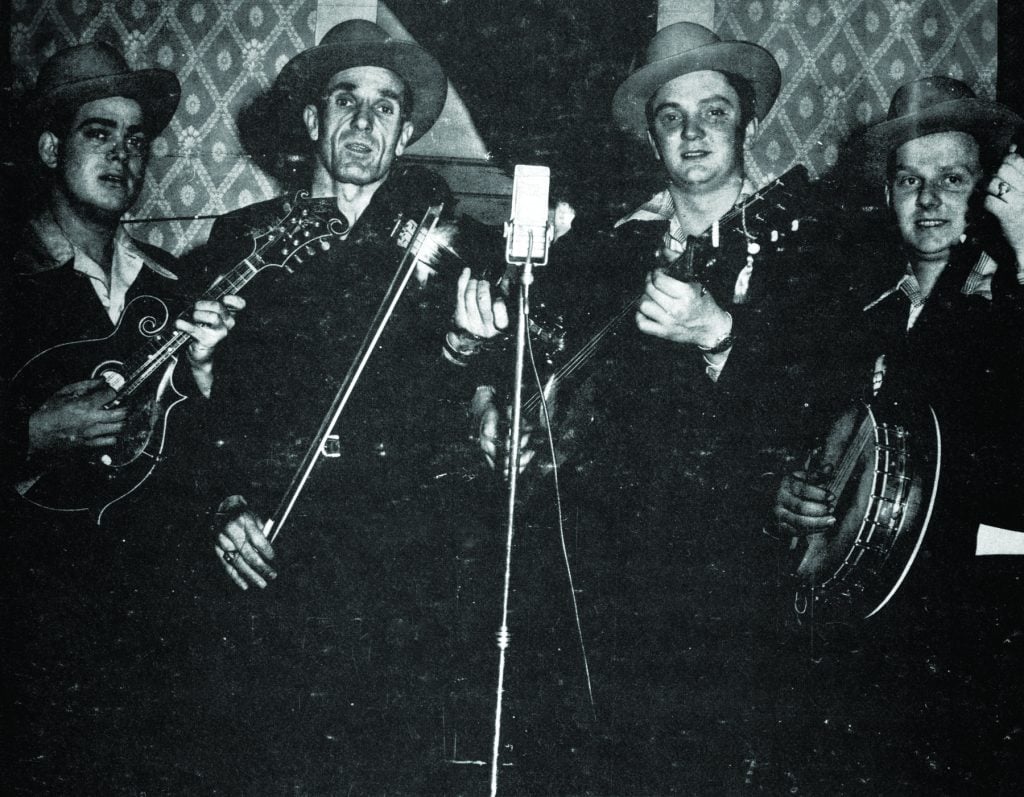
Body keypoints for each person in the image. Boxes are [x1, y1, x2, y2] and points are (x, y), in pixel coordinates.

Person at [453, 22, 840, 793]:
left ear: (751, 124)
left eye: (715, 112)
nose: (693, 133)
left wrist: (720, 334)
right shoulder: (610, 245)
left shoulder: (807, 240)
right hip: (604, 580)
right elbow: (523, 357)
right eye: (671, 116)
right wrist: (490, 403)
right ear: (650, 137)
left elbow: (823, 403)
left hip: (734, 587)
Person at [189, 20, 497, 791]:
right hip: (272, 549)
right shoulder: (240, 241)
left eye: (386, 107)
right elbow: (199, 412)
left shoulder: (450, 249)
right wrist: (221, 500)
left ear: (404, 136)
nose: (364, 122)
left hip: (397, 564)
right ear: (312, 120)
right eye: (346, 101)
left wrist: (464, 348)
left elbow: (462, 411)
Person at [770, 76, 1024, 792]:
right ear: (886, 196)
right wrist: (790, 499)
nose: (930, 199)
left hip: (975, 645)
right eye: (910, 179)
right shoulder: (859, 311)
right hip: (861, 652)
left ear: (984, 192)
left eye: (952, 178)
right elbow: (823, 447)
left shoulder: (1009, 304)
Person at [0, 42, 241, 790]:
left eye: (136, 140)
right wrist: (33, 433)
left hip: (148, 630)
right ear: (50, 146)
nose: (123, 155)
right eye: (98, 132)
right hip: (28, 635)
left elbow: (202, 447)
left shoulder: (171, 286)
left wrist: (204, 376)